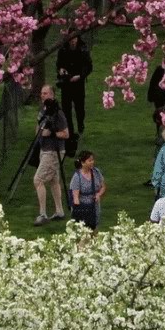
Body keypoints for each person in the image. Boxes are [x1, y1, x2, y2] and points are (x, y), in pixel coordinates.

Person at [32, 83, 70, 225]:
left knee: (38, 180)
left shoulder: (58, 113)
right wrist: (39, 134)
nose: (43, 96)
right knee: (54, 181)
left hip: (53, 151)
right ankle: (59, 211)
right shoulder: (43, 110)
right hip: (44, 149)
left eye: (46, 93)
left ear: (52, 95)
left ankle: (42, 214)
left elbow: (66, 134)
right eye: (42, 93)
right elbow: (38, 125)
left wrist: (51, 133)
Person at [56, 32, 93, 154]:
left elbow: (88, 66)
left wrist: (80, 76)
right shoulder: (63, 50)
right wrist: (61, 70)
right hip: (66, 83)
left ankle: (80, 123)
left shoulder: (82, 49)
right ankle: (70, 132)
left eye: (74, 38)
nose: (72, 41)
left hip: (78, 83)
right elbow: (59, 63)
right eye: (70, 39)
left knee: (79, 107)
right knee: (66, 108)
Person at [67, 149, 106, 230]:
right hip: (83, 208)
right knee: (85, 233)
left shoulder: (96, 172)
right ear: (83, 162)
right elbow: (75, 197)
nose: (92, 162)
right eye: (89, 160)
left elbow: (103, 187)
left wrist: (99, 194)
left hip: (95, 207)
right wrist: (78, 214)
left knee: (95, 229)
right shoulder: (77, 177)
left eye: (92, 160)